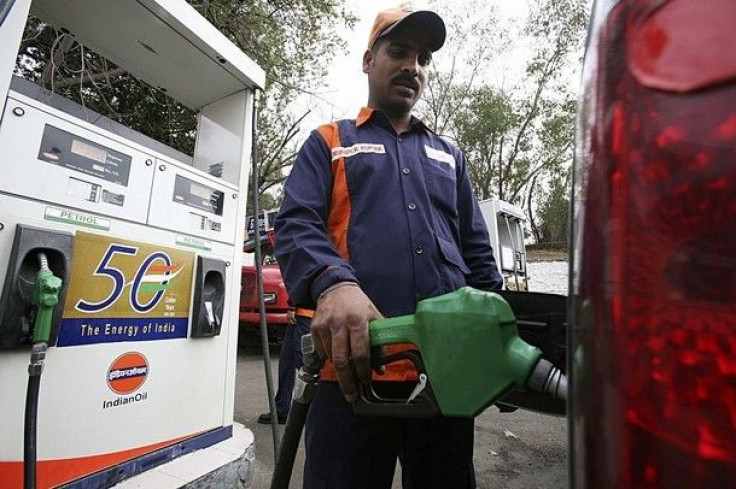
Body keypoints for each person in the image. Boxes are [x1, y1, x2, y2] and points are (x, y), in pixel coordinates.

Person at [274, 3, 504, 488]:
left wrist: (500, 339)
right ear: (368, 60)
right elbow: (295, 223)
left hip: (444, 377)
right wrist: (333, 283)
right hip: (350, 379)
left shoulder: (449, 155)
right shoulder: (328, 141)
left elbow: (477, 254)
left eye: (422, 59)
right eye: (398, 51)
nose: (412, 67)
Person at [257, 308, 310, 424]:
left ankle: (315, 410)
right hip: (299, 314)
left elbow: (302, 290)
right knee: (287, 362)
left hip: (306, 314)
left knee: (305, 365)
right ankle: (282, 409)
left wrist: (292, 306)